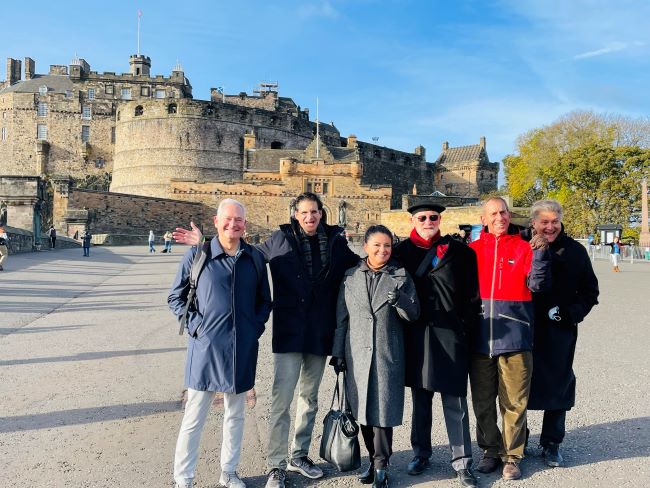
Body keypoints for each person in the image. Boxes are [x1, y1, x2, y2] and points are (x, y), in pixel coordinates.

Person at [172, 192, 359, 488]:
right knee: (280, 401)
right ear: (295, 214)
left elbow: (363, 264)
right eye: (304, 212)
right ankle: (276, 464)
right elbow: (240, 252)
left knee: (308, 400)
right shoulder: (279, 239)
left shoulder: (337, 242)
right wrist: (205, 245)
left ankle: (298, 456)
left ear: (322, 214)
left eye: (315, 211)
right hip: (287, 333)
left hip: (319, 332)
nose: (310, 217)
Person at [168, 199, 272, 488]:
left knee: (236, 414)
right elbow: (175, 298)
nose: (233, 224)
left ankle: (229, 471)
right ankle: (184, 478)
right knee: (194, 417)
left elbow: (265, 300)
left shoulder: (254, 258)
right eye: (228, 219)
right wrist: (196, 327)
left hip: (242, 347)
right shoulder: (197, 255)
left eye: (239, 220)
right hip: (206, 348)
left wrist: (254, 328)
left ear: (245, 225)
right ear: (216, 222)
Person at [392, 203, 481, 488]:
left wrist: (465, 329)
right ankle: (421, 453)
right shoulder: (400, 253)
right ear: (413, 220)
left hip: (451, 334)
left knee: (455, 399)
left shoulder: (462, 252)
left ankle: (463, 461)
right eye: (422, 217)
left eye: (433, 217)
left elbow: (472, 296)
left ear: (439, 219)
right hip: (416, 335)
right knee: (421, 398)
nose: (428, 221)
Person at [468, 197, 551, 481]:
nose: (500, 217)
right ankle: (490, 450)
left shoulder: (524, 247)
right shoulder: (472, 250)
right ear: (483, 219)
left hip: (516, 337)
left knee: (514, 402)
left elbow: (538, 285)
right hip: (480, 338)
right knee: (482, 401)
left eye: (503, 212)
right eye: (493, 213)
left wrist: (540, 255)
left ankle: (512, 456)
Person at [332, 225, 419, 488]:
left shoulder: (401, 276)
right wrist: (337, 353)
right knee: (362, 413)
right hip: (356, 353)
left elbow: (413, 314)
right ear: (366, 247)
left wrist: (401, 300)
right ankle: (372, 458)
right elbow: (341, 319)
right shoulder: (350, 277)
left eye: (388, 246)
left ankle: (382, 464)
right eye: (378, 245)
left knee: (382, 411)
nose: (383, 250)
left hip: (386, 353)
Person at [527, 200, 599, 467]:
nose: (549, 226)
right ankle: (517, 440)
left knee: (559, 383)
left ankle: (552, 442)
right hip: (524, 327)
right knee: (518, 385)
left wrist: (568, 313)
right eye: (544, 221)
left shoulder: (576, 252)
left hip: (559, 330)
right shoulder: (521, 246)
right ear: (533, 222)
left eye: (554, 221)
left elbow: (590, 293)